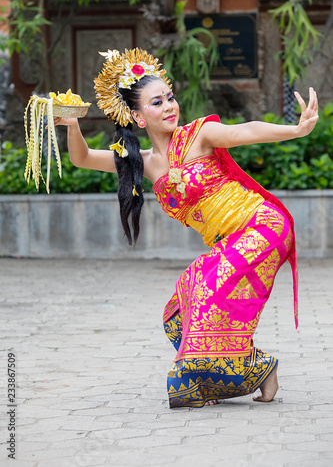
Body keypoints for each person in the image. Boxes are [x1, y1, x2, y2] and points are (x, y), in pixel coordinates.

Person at [54, 48, 318, 408]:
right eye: (157, 102)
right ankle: (255, 370)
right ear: (138, 116)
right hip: (230, 240)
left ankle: (207, 381)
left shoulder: (200, 135)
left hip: (263, 224)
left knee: (210, 285)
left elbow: (245, 130)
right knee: (184, 304)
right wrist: (71, 125)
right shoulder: (143, 163)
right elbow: (81, 158)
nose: (169, 106)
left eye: (170, 97)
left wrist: (296, 129)